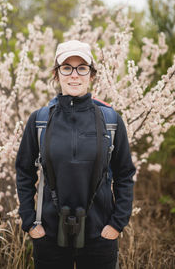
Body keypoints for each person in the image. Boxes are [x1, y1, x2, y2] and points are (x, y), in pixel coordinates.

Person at [15, 40, 136, 269]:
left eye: (82, 68)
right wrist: (31, 223)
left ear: (91, 75)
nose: (74, 75)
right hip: (49, 236)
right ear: (56, 73)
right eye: (66, 67)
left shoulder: (110, 121)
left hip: (100, 236)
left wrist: (117, 224)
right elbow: (24, 171)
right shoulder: (40, 120)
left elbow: (125, 174)